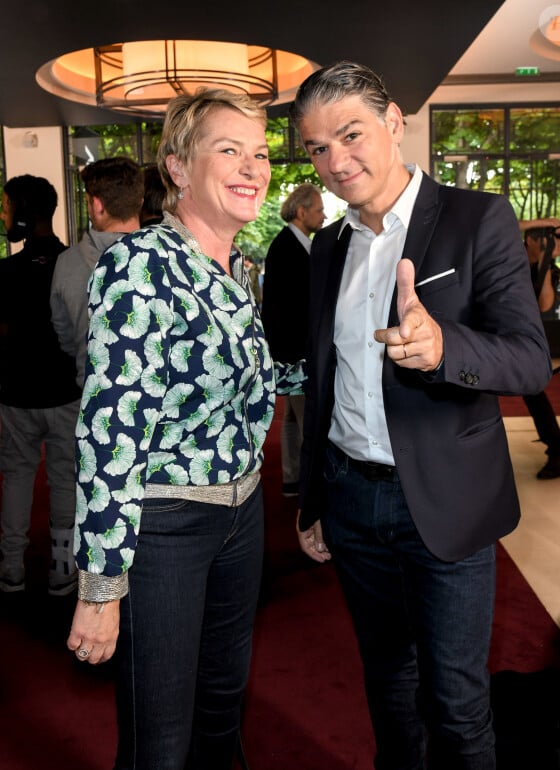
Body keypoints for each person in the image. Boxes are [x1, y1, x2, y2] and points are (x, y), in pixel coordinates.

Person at [289, 61, 552, 770]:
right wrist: (314, 498)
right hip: (350, 499)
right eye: (317, 148)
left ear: (394, 122)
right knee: (388, 683)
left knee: (457, 704)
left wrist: (443, 348)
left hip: (444, 499)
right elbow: (326, 381)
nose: (336, 161)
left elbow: (530, 362)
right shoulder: (332, 247)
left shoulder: (477, 218)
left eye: (350, 134)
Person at [66, 88, 304, 770]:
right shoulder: (139, 265)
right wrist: (101, 585)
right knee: (159, 740)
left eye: (258, 153)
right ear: (176, 168)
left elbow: (250, 385)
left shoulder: (236, 267)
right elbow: (111, 432)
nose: (252, 167)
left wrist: (352, 352)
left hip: (240, 516)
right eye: (228, 150)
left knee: (222, 708)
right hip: (166, 525)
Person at [0, 174, 81, 595]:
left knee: (15, 476)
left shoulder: (6, 271)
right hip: (66, 393)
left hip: (16, 395)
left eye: (7, 205)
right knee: (64, 477)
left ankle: (11, 566)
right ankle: (61, 566)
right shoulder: (73, 264)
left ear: (25, 213)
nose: (3, 213)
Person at [50, 156, 144, 388]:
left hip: (93, 395)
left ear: (97, 205)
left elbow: (65, 337)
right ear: (140, 202)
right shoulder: (168, 257)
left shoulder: (66, 263)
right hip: (155, 400)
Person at [261, 182, 325, 496]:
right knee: (306, 420)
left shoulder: (292, 243)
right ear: (302, 212)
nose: (324, 215)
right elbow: (290, 307)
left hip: (291, 348)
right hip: (297, 351)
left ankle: (292, 477)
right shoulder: (288, 247)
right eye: (319, 209)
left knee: (291, 418)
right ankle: (305, 484)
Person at [521, 224, 560, 478]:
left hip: (519, 337)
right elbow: (500, 223)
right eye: (543, 239)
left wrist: (544, 264)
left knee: (534, 392)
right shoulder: (507, 251)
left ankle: (556, 450)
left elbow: (544, 305)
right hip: (487, 328)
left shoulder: (547, 269)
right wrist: (538, 222)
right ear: (529, 239)